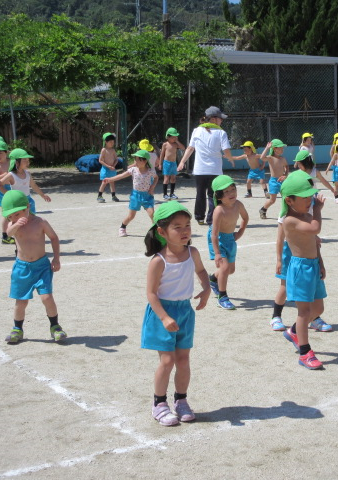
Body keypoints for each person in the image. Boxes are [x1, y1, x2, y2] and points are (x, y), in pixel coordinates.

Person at [142, 201, 210, 425]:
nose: (184, 231)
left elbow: (201, 271)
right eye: (177, 227)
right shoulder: (158, 261)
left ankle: (181, 401)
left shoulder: (192, 252)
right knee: (167, 360)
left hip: (185, 312)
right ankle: (159, 404)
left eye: (187, 225)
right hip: (163, 312)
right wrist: (164, 317)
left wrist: (207, 289)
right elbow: (151, 294)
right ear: (162, 231)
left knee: (183, 359)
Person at [270, 150, 333, 333]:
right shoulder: (287, 214)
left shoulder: (307, 203)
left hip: (308, 250)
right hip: (291, 252)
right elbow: (281, 237)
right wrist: (279, 259)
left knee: (311, 290)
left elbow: (312, 231)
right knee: (285, 286)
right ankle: (276, 316)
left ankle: (313, 318)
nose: (309, 198)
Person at [1, 190, 66, 344]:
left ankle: (55, 327)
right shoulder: (13, 225)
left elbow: (54, 237)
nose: (13, 218)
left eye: (17, 214)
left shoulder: (40, 222)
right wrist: (15, 224)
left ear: (27, 207)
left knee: (47, 298)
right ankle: (17, 329)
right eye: (10, 216)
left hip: (42, 266)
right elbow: (8, 233)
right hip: (22, 268)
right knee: (21, 301)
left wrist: (56, 259)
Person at [280, 170, 327, 370]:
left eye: (311, 196)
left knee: (318, 309)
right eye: (305, 197)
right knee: (304, 311)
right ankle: (305, 352)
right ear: (289, 201)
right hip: (300, 269)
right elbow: (315, 229)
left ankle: (293, 331)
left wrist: (321, 263)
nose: (309, 200)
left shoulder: (305, 215)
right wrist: (318, 209)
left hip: (313, 266)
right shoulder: (289, 220)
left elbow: (314, 241)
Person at [178, 107, 235, 226]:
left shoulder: (197, 131)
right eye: (220, 118)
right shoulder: (221, 132)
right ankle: (211, 219)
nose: (221, 121)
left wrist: (182, 162)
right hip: (215, 169)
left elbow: (190, 148)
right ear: (214, 119)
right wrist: (230, 158)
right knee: (213, 194)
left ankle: (199, 217)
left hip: (200, 169)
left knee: (200, 193)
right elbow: (226, 150)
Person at [207, 175, 248, 310]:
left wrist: (240, 232)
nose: (232, 193)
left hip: (230, 238)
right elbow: (214, 233)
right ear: (219, 196)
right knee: (224, 268)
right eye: (226, 191)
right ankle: (222, 297)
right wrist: (217, 253)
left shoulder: (238, 204)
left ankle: (213, 279)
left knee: (230, 270)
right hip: (217, 239)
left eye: (233, 189)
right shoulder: (219, 210)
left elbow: (245, 218)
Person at [105, 149, 158, 237]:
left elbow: (156, 178)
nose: (135, 161)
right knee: (131, 216)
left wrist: (152, 188)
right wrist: (110, 179)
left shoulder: (151, 171)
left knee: (152, 214)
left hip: (147, 196)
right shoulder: (133, 170)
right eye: (135, 159)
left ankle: (156, 231)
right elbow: (121, 176)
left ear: (144, 161)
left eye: (137, 159)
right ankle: (122, 227)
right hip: (135, 196)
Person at [0, 149, 51, 214]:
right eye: (25, 160)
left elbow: (34, 185)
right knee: (21, 221)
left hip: (28, 201)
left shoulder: (28, 173)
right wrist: (9, 194)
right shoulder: (11, 175)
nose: (28, 162)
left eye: (28, 160)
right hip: (18, 202)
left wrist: (43, 195)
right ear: (16, 162)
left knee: (32, 220)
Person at [0, 138, 15, 245]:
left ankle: (14, 233)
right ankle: (5, 235)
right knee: (7, 214)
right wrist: (9, 172)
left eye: (0, 153)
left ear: (6, 153)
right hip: (2, 191)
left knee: (16, 213)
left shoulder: (11, 162)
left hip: (13, 189)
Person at [259, 139, 289, 219]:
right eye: (280, 148)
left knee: (286, 197)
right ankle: (263, 209)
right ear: (275, 149)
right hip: (274, 181)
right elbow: (262, 157)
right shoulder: (270, 158)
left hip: (282, 181)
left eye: (282, 148)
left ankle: (288, 213)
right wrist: (267, 148)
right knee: (272, 200)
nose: (282, 149)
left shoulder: (283, 158)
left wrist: (285, 175)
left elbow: (287, 166)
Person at [159, 129, 185, 200]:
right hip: (166, 163)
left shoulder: (176, 144)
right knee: (166, 178)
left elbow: (183, 148)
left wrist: (177, 141)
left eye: (175, 137)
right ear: (168, 137)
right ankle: (165, 194)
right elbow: (162, 154)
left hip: (174, 163)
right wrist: (160, 164)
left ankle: (172, 193)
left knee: (173, 178)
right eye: (173, 137)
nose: (174, 138)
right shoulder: (165, 144)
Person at [97, 132, 120, 203]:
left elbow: (116, 159)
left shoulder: (113, 150)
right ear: (106, 142)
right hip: (105, 169)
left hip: (112, 169)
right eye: (110, 141)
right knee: (104, 182)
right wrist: (108, 166)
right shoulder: (103, 150)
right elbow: (100, 160)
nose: (112, 143)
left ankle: (113, 196)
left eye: (113, 141)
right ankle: (99, 196)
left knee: (112, 182)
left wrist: (113, 165)